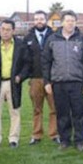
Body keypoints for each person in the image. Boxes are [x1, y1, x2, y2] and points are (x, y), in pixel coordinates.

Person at [42, 10, 83, 151]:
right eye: (67, 20)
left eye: (72, 20)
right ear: (62, 22)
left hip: (78, 83)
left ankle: (80, 141)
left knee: (80, 113)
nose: (70, 23)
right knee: (62, 114)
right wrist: (47, 82)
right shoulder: (52, 39)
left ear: (75, 22)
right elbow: (46, 62)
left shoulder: (82, 40)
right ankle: (64, 140)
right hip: (59, 84)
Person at [0, 19, 29, 148]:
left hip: (13, 83)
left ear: (13, 31)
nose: (5, 32)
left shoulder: (20, 45)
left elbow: (27, 64)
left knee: (15, 111)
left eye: (8, 30)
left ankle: (13, 139)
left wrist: (20, 77)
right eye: (2, 29)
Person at [23, 10, 60, 145]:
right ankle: (36, 135)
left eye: (42, 19)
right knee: (37, 109)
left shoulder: (55, 36)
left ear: (46, 20)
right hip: (35, 78)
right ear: (34, 21)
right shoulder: (28, 38)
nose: (39, 21)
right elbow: (25, 59)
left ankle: (54, 134)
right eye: (37, 19)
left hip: (52, 79)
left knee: (54, 108)